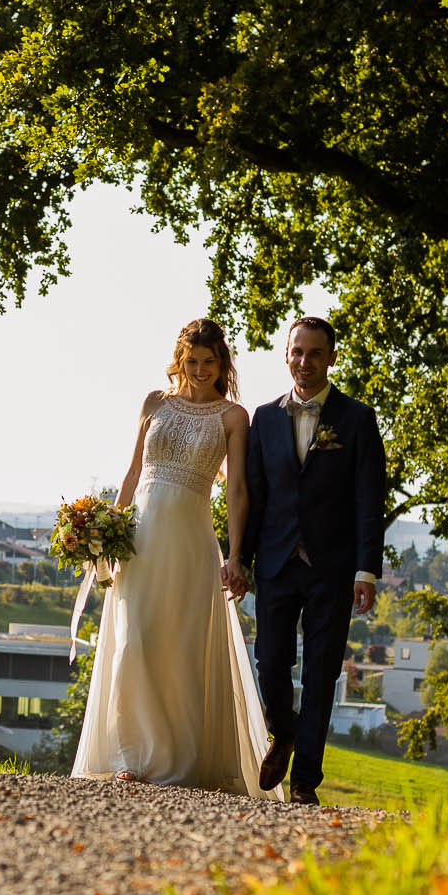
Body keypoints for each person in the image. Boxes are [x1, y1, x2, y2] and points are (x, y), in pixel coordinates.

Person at [71, 319, 280, 798]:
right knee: (134, 643)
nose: (200, 370)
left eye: (209, 362)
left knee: (181, 649)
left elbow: (238, 491)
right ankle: (133, 756)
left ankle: (181, 760)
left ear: (222, 363)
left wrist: (235, 555)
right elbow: (131, 473)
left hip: (190, 544)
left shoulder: (233, 416)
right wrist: (108, 529)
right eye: (192, 362)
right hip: (141, 541)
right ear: (179, 361)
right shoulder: (154, 403)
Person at [236, 316, 388, 806]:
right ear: (286, 354)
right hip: (276, 565)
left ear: (332, 358)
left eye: (315, 354)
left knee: (321, 672)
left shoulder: (357, 418)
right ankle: (284, 731)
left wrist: (366, 570)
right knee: (270, 664)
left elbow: (370, 499)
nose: (305, 362)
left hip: (333, 567)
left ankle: (304, 780)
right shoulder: (264, 418)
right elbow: (254, 496)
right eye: (297, 352)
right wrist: (238, 559)